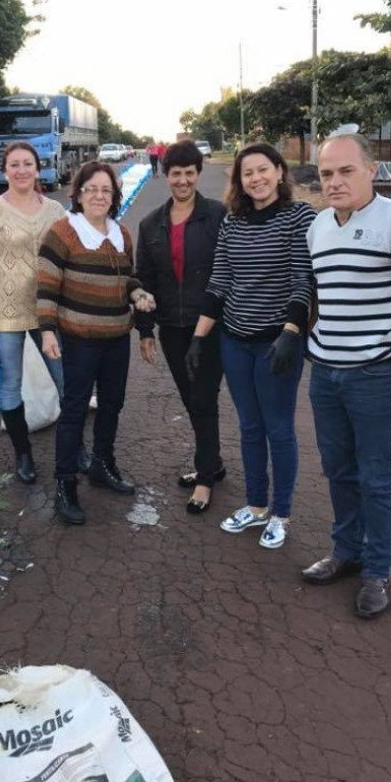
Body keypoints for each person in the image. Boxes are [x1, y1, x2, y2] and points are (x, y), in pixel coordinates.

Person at [303, 133, 391, 619]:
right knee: (338, 470)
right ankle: (347, 552)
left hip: (376, 375)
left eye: (346, 171)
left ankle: (377, 571)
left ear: (372, 170)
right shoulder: (319, 227)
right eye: (326, 173)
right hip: (325, 372)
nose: (335, 181)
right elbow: (325, 293)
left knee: (377, 478)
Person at [187, 143, 315, 549]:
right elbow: (220, 281)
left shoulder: (300, 217)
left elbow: (302, 281)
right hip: (235, 340)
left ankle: (280, 513)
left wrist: (290, 333)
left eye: (263, 170)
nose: (256, 179)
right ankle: (256, 505)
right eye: (247, 173)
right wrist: (199, 336)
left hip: (278, 342)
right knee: (249, 426)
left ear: (280, 172)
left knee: (278, 428)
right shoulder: (233, 221)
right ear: (239, 181)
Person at [38, 160, 155, 525]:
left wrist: (138, 296)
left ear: (114, 196)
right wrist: (45, 330)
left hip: (116, 337)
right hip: (80, 339)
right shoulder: (63, 232)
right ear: (79, 193)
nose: (99, 196)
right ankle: (65, 484)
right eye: (92, 189)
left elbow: (128, 280)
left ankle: (102, 465)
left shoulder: (121, 233)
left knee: (112, 404)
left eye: (106, 190)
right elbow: (45, 286)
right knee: (74, 410)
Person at [0, 141, 66, 484]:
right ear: (4, 170)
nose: (21, 170)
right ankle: (23, 455)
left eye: (27, 164)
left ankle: (74, 447)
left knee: (66, 378)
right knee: (10, 383)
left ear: (38, 168)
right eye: (14, 165)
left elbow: (68, 259)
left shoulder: (55, 211)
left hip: (48, 311)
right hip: (6, 313)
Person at [136, 139, 226, 514]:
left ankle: (205, 477)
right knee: (192, 401)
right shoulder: (151, 223)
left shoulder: (218, 216)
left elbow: (226, 272)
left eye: (190, 173)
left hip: (210, 326)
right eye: (177, 173)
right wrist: (144, 329)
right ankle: (213, 463)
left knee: (203, 399)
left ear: (198, 174)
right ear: (166, 175)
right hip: (172, 327)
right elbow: (144, 279)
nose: (184, 181)